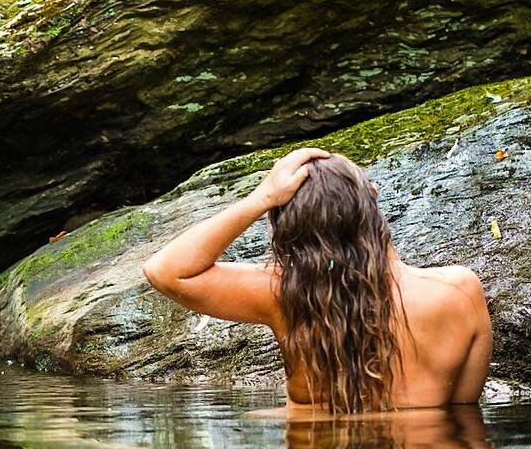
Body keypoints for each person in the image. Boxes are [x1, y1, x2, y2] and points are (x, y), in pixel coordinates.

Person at [141, 148, 492, 412]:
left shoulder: (284, 296)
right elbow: (461, 413)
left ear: (284, 228)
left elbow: (165, 270)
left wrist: (261, 198)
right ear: (372, 194)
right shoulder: (459, 293)